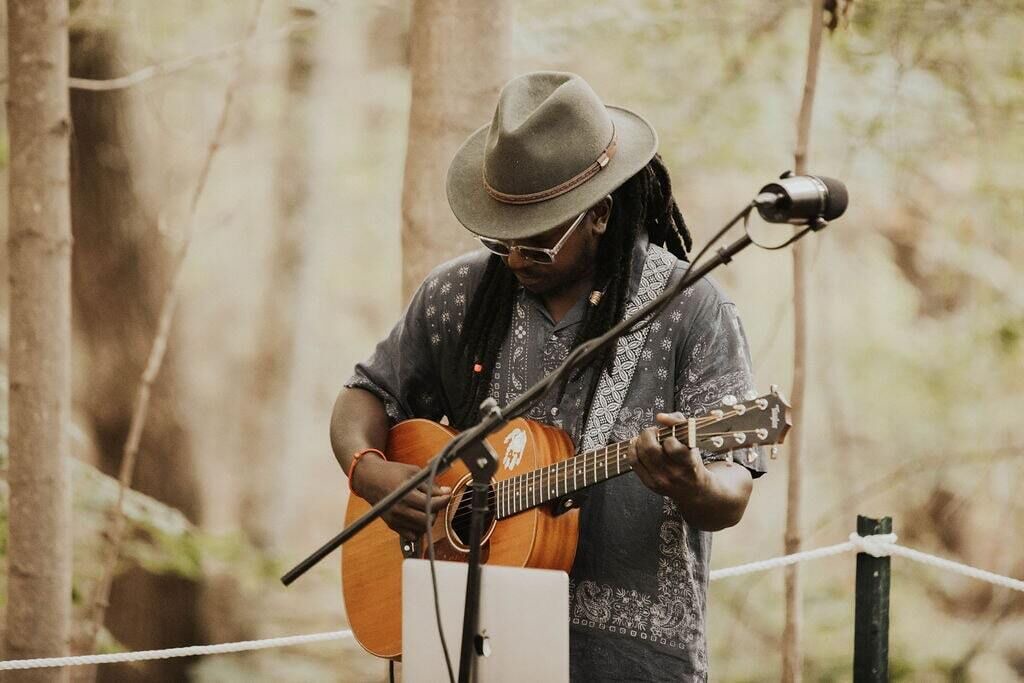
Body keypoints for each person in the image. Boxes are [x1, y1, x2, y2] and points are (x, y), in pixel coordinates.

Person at [331, 71, 765, 682]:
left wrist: (690, 482)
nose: (512, 260)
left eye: (536, 245)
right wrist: (369, 471)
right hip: (472, 644)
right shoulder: (458, 295)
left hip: (631, 665)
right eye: (500, 237)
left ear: (599, 215)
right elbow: (364, 397)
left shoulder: (690, 308)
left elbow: (733, 490)